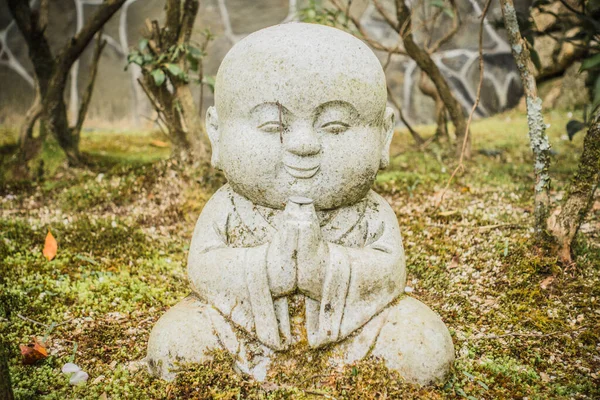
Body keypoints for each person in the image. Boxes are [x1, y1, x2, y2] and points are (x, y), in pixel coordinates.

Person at [147, 22, 454, 385]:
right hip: (240, 331)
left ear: (383, 136)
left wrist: (325, 268)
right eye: (272, 124)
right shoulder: (226, 208)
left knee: (423, 346)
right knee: (177, 342)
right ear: (218, 133)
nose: (303, 145)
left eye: (335, 126)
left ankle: (349, 372)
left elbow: (389, 272)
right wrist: (269, 270)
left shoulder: (371, 212)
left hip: (356, 332)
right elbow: (204, 268)